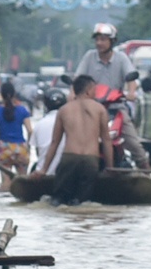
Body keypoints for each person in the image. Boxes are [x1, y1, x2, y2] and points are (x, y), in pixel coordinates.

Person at [35, 73, 115, 205]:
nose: (96, 93)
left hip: (69, 159)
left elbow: (55, 143)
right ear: (89, 91)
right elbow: (106, 140)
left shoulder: (64, 110)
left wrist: (44, 169)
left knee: (58, 199)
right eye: (95, 90)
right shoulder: (100, 109)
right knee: (82, 202)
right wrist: (110, 167)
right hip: (91, 160)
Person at [0, 82, 33, 187]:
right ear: (14, 94)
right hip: (21, 148)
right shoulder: (22, 110)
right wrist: (28, 145)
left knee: (6, 183)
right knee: (23, 182)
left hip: (4, 149)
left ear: (1, 94)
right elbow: (30, 131)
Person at [74, 22, 137, 89]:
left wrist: (131, 93)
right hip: (92, 98)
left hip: (116, 98)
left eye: (103, 39)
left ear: (112, 41)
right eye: (97, 39)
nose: (99, 43)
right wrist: (72, 94)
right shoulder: (89, 56)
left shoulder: (121, 57)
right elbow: (78, 78)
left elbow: (131, 79)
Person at [31, 85, 66, 166]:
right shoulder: (71, 122)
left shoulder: (39, 125)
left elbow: (38, 152)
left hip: (43, 172)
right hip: (66, 172)